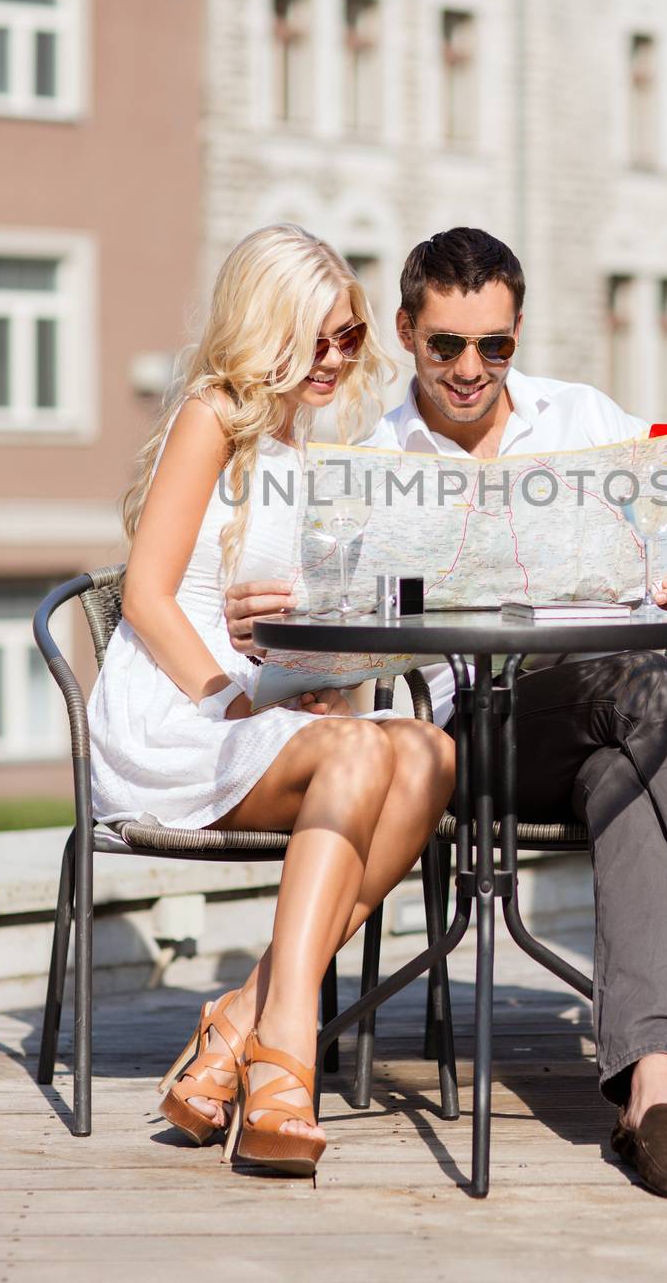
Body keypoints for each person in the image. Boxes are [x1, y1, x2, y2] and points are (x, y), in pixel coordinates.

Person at [225, 227, 667, 1200]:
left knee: (630, 770)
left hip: (593, 725)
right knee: (641, 683)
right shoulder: (365, 447)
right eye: (445, 346)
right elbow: (301, 618)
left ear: (518, 331)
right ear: (405, 331)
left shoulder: (583, 419)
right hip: (447, 740)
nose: (471, 369)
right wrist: (272, 613)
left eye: (496, 345)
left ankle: (653, 1089)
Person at [88, 225, 455, 1177]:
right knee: (371, 750)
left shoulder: (306, 453)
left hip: (266, 707)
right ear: (272, 330)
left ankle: (241, 1016)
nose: (339, 357)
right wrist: (232, 699)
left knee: (427, 751)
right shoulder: (214, 415)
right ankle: (287, 1044)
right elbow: (148, 596)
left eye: (350, 337)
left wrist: (319, 669)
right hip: (181, 709)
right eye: (321, 337)